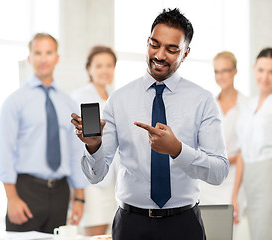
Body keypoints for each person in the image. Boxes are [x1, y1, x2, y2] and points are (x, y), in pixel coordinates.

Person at [71, 8, 229, 240]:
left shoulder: (202, 100)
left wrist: (177, 150)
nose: (160, 55)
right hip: (131, 225)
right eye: (154, 44)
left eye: (172, 49)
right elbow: (96, 175)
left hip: (184, 224)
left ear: (185, 53)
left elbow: (219, 172)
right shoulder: (119, 99)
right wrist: (94, 146)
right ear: (147, 42)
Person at [0, 33, 87, 234]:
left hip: (60, 193)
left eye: (49, 52)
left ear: (57, 57)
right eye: (38, 53)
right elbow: (4, 151)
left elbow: (74, 152)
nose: (43, 59)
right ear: (30, 58)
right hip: (26, 191)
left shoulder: (68, 104)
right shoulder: (15, 101)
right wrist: (12, 198)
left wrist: (79, 198)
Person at [234, 48, 272, 240]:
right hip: (249, 179)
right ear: (254, 69)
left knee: (271, 234)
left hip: (270, 178)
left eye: (271, 71)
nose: (265, 77)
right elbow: (243, 152)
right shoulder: (246, 106)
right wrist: (235, 195)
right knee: (257, 233)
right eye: (261, 70)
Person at [71, 46, 118, 236]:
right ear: (89, 69)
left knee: (111, 233)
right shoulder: (79, 97)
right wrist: (78, 193)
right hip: (92, 183)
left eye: (109, 65)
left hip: (114, 179)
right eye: (99, 66)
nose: (104, 70)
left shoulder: (114, 97)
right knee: (95, 232)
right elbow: (75, 146)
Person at [199, 51, 246, 233]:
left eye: (225, 70)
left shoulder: (246, 105)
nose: (220, 76)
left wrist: (235, 194)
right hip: (208, 180)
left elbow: (243, 152)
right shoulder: (208, 104)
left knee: (230, 229)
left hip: (234, 178)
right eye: (217, 71)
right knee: (207, 230)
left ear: (235, 71)